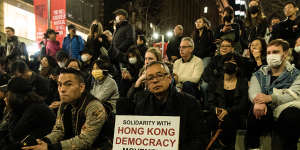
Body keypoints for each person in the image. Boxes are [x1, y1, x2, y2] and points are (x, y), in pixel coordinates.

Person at [118, 61, 209, 149]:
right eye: (150, 78)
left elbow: (200, 139)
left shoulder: (190, 103)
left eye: (160, 75)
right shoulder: (141, 102)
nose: (155, 80)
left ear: (169, 78)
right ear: (147, 84)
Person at [22, 68, 108, 150]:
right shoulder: (64, 104)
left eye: (68, 84)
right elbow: (59, 130)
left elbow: (85, 141)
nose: (62, 89)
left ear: (81, 87)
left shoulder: (94, 106)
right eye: (59, 84)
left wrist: (50, 148)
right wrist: (44, 142)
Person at [247, 39, 300, 150]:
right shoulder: (260, 73)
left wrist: (270, 98)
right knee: (254, 111)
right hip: (267, 111)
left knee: (292, 116)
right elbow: (253, 90)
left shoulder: (296, 74)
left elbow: (294, 94)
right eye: (268, 53)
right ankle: (253, 147)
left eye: (275, 52)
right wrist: (258, 101)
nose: (271, 55)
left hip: (286, 112)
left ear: (285, 54)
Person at [0, 77, 55, 150]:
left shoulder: (35, 108)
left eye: (7, 95)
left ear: (15, 96)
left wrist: (10, 109)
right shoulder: (25, 105)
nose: (5, 98)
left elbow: (15, 135)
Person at [206, 56, 249, 150]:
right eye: (227, 62)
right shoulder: (214, 82)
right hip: (216, 114)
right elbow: (209, 102)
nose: (229, 64)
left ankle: (224, 145)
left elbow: (243, 104)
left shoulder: (243, 83)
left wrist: (228, 111)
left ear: (238, 67)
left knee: (228, 121)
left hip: (236, 115)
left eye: (233, 62)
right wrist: (216, 110)